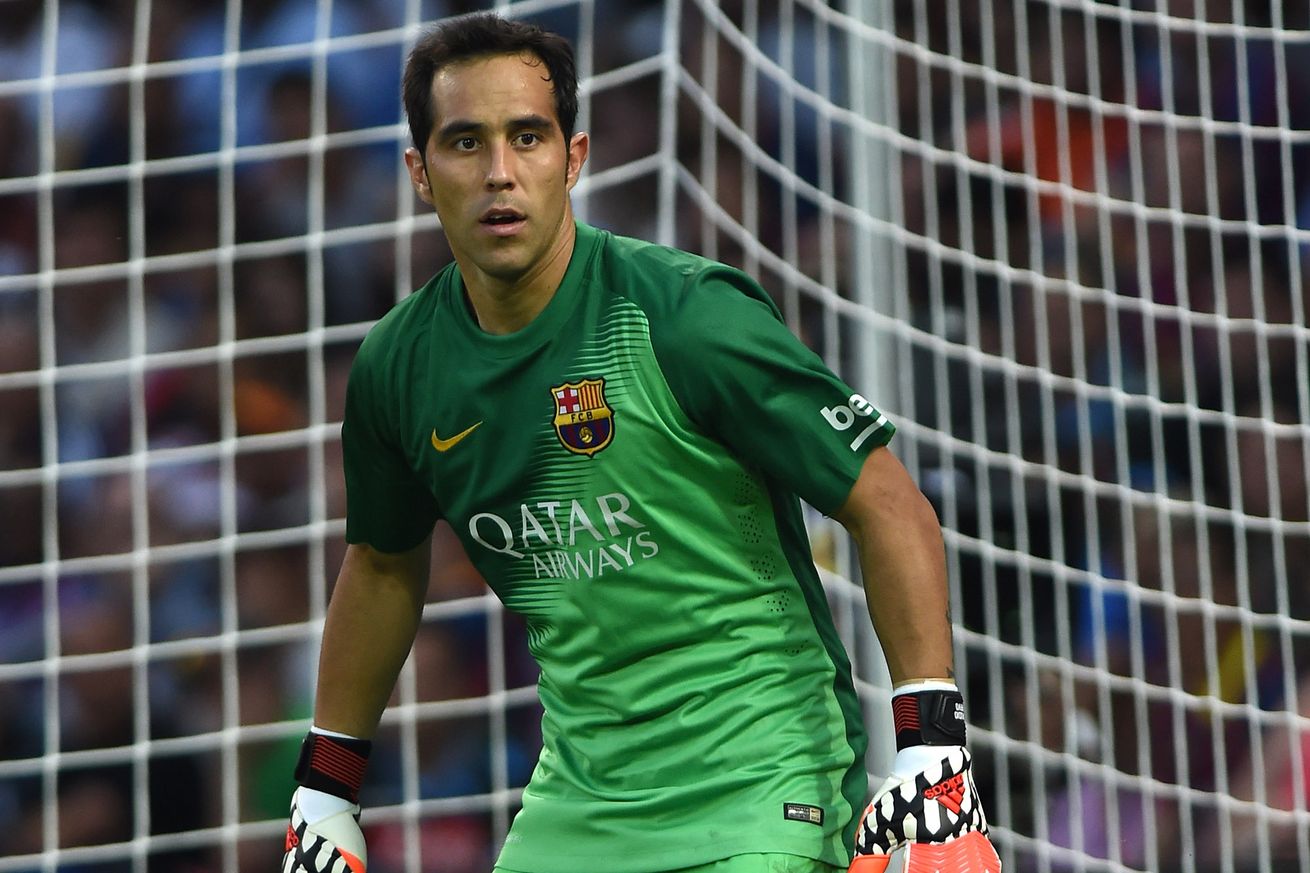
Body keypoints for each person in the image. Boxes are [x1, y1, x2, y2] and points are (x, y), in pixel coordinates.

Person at [280, 13, 1000, 873]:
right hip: (580, 797)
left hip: (762, 780)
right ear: (421, 174)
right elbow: (382, 566)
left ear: (573, 159)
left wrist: (931, 744)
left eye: (528, 138)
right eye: (466, 142)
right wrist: (324, 792)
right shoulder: (400, 367)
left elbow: (887, 501)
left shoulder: (686, 316)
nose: (500, 171)